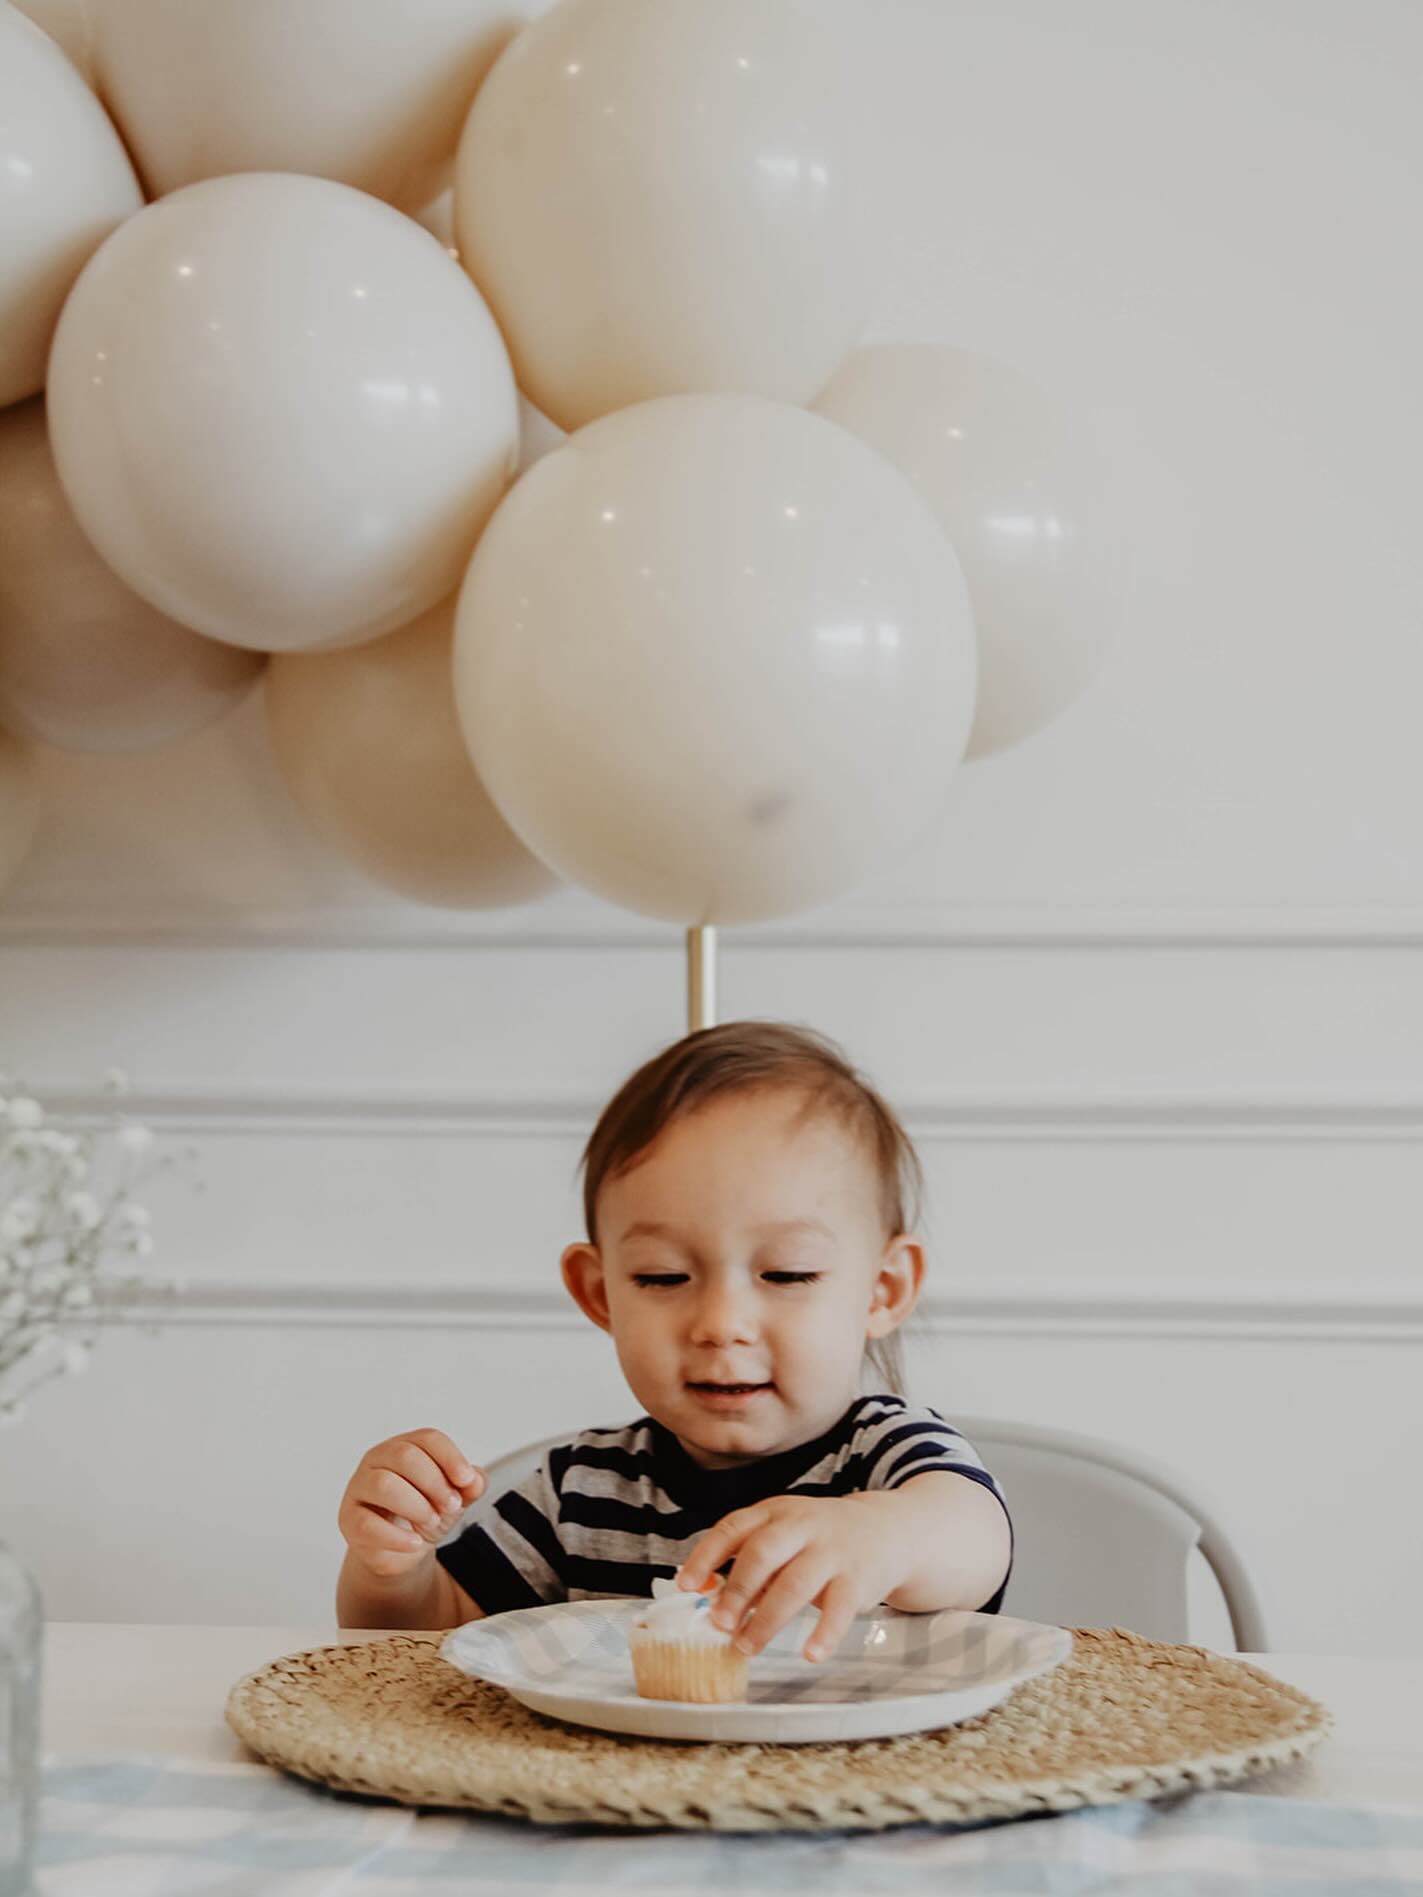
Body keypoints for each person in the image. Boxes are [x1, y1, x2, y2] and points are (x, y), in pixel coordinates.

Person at [336, 1021, 1013, 1662]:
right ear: (599, 1292)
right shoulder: (582, 1487)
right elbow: (424, 1648)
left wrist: (880, 1534)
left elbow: (973, 1536)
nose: (720, 1322)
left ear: (882, 1289)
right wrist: (393, 1566)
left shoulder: (889, 1456)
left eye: (786, 1272)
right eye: (663, 1276)